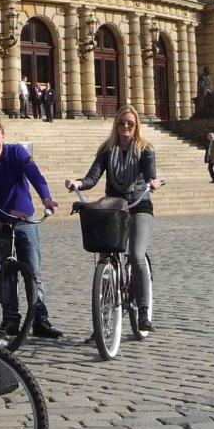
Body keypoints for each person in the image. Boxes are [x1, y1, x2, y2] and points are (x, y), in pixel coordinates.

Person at [66, 106, 162, 338]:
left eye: (130, 123)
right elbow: (93, 176)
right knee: (106, 260)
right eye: (121, 123)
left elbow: (150, 174)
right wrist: (78, 183)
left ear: (136, 125)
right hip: (114, 207)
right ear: (116, 125)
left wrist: (153, 182)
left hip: (139, 206)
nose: (125, 127)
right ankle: (102, 320)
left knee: (137, 256)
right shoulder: (107, 149)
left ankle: (143, 312)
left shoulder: (145, 149)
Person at [0, 118, 63, 339]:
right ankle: (10, 320)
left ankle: (40, 319)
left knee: (34, 272)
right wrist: (3, 216)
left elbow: (34, 174)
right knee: (6, 273)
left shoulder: (17, 153)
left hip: (25, 221)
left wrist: (46, 198)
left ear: (3, 137)